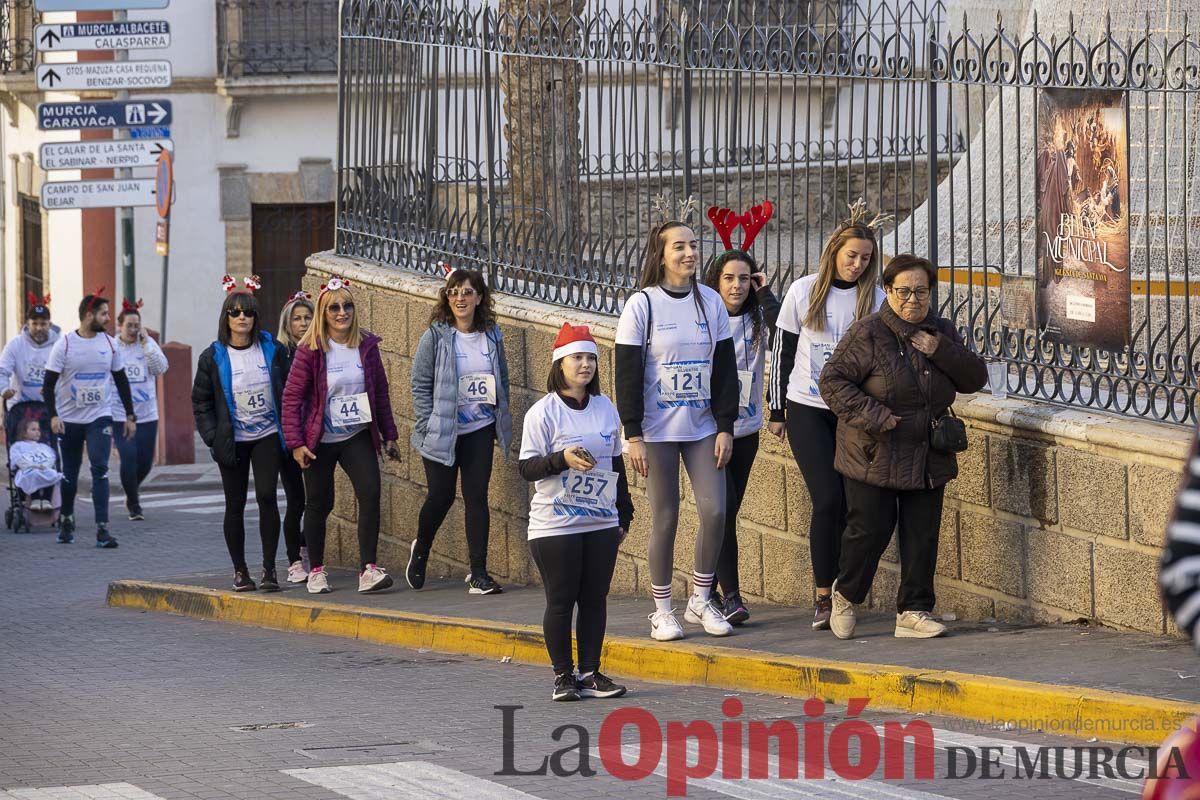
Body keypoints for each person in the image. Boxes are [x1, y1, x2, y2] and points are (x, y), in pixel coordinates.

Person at [818, 253, 987, 640]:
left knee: (922, 532)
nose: (913, 300)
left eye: (921, 292)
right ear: (888, 292)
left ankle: (913, 610)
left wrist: (939, 348)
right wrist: (876, 416)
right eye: (904, 291)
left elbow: (974, 378)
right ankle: (845, 596)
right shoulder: (868, 333)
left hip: (928, 452)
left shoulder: (940, 331)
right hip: (874, 450)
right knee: (869, 530)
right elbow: (832, 382)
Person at [615, 214, 740, 640]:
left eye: (692, 244)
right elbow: (626, 374)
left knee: (716, 510)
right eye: (679, 247)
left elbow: (725, 370)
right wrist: (632, 435)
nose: (689, 252)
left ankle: (701, 600)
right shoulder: (642, 304)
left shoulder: (710, 301)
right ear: (661, 254)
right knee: (665, 516)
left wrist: (726, 426)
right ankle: (661, 609)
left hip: (703, 426)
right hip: (656, 431)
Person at [768, 201, 887, 629]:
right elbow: (781, 353)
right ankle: (823, 593)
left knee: (858, 505)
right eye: (851, 255)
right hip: (807, 408)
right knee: (827, 499)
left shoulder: (874, 298)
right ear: (834, 251)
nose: (857, 265)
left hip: (853, 413)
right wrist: (776, 408)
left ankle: (845, 593)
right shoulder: (804, 291)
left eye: (865, 258)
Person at [519, 323, 633, 701]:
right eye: (577, 358)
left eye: (590, 358)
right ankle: (563, 676)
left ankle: (590, 671)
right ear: (560, 364)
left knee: (595, 598)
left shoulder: (604, 407)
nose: (585, 365)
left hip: (600, 519)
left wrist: (624, 511)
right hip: (556, 523)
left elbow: (615, 462)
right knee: (562, 598)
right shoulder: (543, 412)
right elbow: (526, 468)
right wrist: (561, 460)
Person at [283, 275, 401, 595]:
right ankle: (317, 570)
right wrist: (296, 444)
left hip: (356, 434)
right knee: (320, 502)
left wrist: (389, 434)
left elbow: (380, 394)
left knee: (371, 492)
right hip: (320, 439)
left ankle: (369, 569)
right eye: (334, 307)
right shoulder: (310, 350)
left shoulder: (366, 346)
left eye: (347, 305)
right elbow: (292, 398)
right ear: (323, 312)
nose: (341, 312)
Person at [406, 267, 513, 596]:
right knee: (441, 496)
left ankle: (479, 573)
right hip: (443, 431)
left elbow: (501, 378)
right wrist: (428, 421)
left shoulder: (491, 334)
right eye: (454, 292)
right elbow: (419, 384)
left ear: (479, 297)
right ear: (446, 297)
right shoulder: (436, 335)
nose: (460, 298)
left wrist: (500, 418)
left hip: (479, 428)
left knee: (476, 498)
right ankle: (421, 549)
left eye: (467, 292)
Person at [700, 202, 781, 626]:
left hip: (746, 427)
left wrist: (764, 291)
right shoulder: (702, 319)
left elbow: (785, 325)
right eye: (728, 278)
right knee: (723, 509)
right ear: (714, 281)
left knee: (729, 509)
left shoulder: (757, 319)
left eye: (744, 279)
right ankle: (728, 594)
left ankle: (709, 587)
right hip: (709, 429)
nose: (736, 286)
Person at [192, 276, 288, 592]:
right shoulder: (213, 356)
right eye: (235, 312)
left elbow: (288, 390)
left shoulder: (273, 349)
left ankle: (270, 569)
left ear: (255, 316)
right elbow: (201, 400)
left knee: (266, 496)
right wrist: (211, 436)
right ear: (226, 318)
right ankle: (240, 570)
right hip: (232, 440)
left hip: (268, 434)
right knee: (234, 504)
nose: (242, 317)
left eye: (247, 312)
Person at [43, 293, 136, 548]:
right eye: (104, 313)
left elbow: (121, 380)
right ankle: (67, 518)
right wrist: (53, 416)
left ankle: (102, 529)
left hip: (99, 416)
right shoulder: (65, 345)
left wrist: (130, 416)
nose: (108, 318)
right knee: (70, 474)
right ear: (88, 315)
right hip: (69, 419)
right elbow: (48, 384)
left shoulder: (109, 343)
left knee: (100, 469)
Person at [111, 299, 169, 521]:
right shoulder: (112, 347)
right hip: (120, 413)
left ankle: (131, 490)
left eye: (137, 325)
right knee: (128, 457)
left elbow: (161, 368)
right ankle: (134, 504)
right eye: (129, 326)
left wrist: (146, 346)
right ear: (119, 326)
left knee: (145, 462)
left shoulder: (147, 345)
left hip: (147, 413)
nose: (133, 330)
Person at [277, 291, 315, 584]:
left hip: (315, 437)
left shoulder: (319, 351)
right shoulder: (280, 354)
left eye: (308, 318)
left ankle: (306, 545)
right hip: (288, 438)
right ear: (287, 323)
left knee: (319, 500)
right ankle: (293, 561)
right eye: (297, 319)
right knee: (295, 501)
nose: (303, 323)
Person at [0, 295, 59, 404]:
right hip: (19, 407)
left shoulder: (59, 345)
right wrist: (4, 389)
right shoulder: (15, 344)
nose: (39, 328)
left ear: (50, 324)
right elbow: (2, 371)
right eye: (35, 324)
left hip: (50, 408)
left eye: (43, 324)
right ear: (28, 324)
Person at [10, 419, 62, 510]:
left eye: (38, 429)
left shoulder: (43, 446)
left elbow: (51, 457)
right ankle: (35, 499)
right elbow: (16, 458)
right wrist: (30, 465)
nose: (38, 432)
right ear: (24, 433)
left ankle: (46, 499)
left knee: (52, 474)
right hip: (26, 470)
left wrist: (45, 465)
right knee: (33, 474)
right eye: (33, 430)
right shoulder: (18, 446)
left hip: (42, 468)